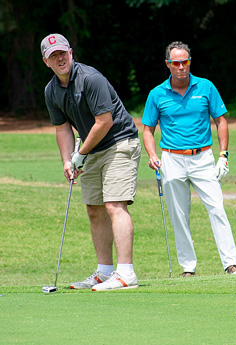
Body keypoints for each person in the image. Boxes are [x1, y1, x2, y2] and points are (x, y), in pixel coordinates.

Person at [41, 33, 141, 291]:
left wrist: (80, 154)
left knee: (114, 204)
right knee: (94, 208)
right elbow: (62, 127)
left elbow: (104, 122)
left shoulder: (90, 78)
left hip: (119, 142)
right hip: (92, 148)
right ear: (46, 62)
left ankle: (126, 273)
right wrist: (67, 160)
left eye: (63, 52)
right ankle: (104, 271)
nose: (60, 58)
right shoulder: (51, 90)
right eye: (54, 56)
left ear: (71, 52)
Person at [142, 41, 236, 277]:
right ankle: (188, 268)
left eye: (185, 62)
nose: (181, 67)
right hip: (171, 159)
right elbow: (148, 129)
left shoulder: (205, 87)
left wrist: (223, 155)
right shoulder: (157, 94)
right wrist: (152, 155)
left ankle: (231, 264)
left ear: (190, 62)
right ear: (168, 64)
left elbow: (221, 121)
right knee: (179, 216)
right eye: (176, 63)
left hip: (203, 157)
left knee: (217, 208)